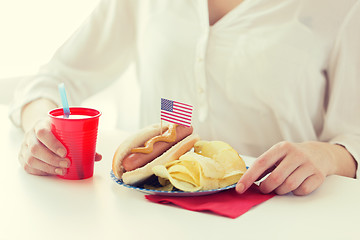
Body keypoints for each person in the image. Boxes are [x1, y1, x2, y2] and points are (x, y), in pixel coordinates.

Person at [10, 0, 360, 195]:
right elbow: (52, 80)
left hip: (280, 212)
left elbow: (354, 137)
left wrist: (326, 155)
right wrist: (40, 130)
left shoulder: (341, 8)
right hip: (151, 213)